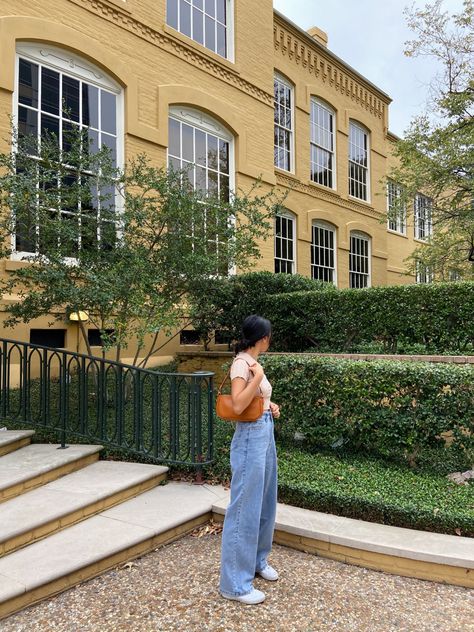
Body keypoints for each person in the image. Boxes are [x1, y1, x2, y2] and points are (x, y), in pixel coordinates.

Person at [219, 315, 281, 605]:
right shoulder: (242, 363)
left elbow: (255, 400)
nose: (270, 340)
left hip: (263, 429)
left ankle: (257, 561)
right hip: (249, 437)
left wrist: (270, 406)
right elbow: (239, 402)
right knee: (244, 505)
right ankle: (235, 585)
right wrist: (257, 375)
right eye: (269, 336)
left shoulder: (251, 362)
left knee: (265, 499)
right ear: (263, 338)